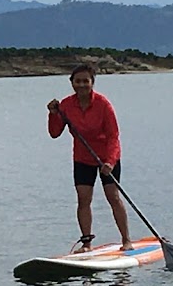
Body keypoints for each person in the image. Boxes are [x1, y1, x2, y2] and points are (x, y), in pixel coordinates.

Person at [47, 63, 133, 253]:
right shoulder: (66, 105)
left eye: (86, 81)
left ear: (92, 83)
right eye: (78, 81)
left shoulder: (103, 105)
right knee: (83, 199)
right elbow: (54, 133)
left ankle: (126, 240)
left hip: (106, 158)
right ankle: (86, 244)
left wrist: (110, 162)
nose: (82, 85)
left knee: (113, 197)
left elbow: (113, 137)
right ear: (72, 83)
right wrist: (53, 114)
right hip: (82, 158)